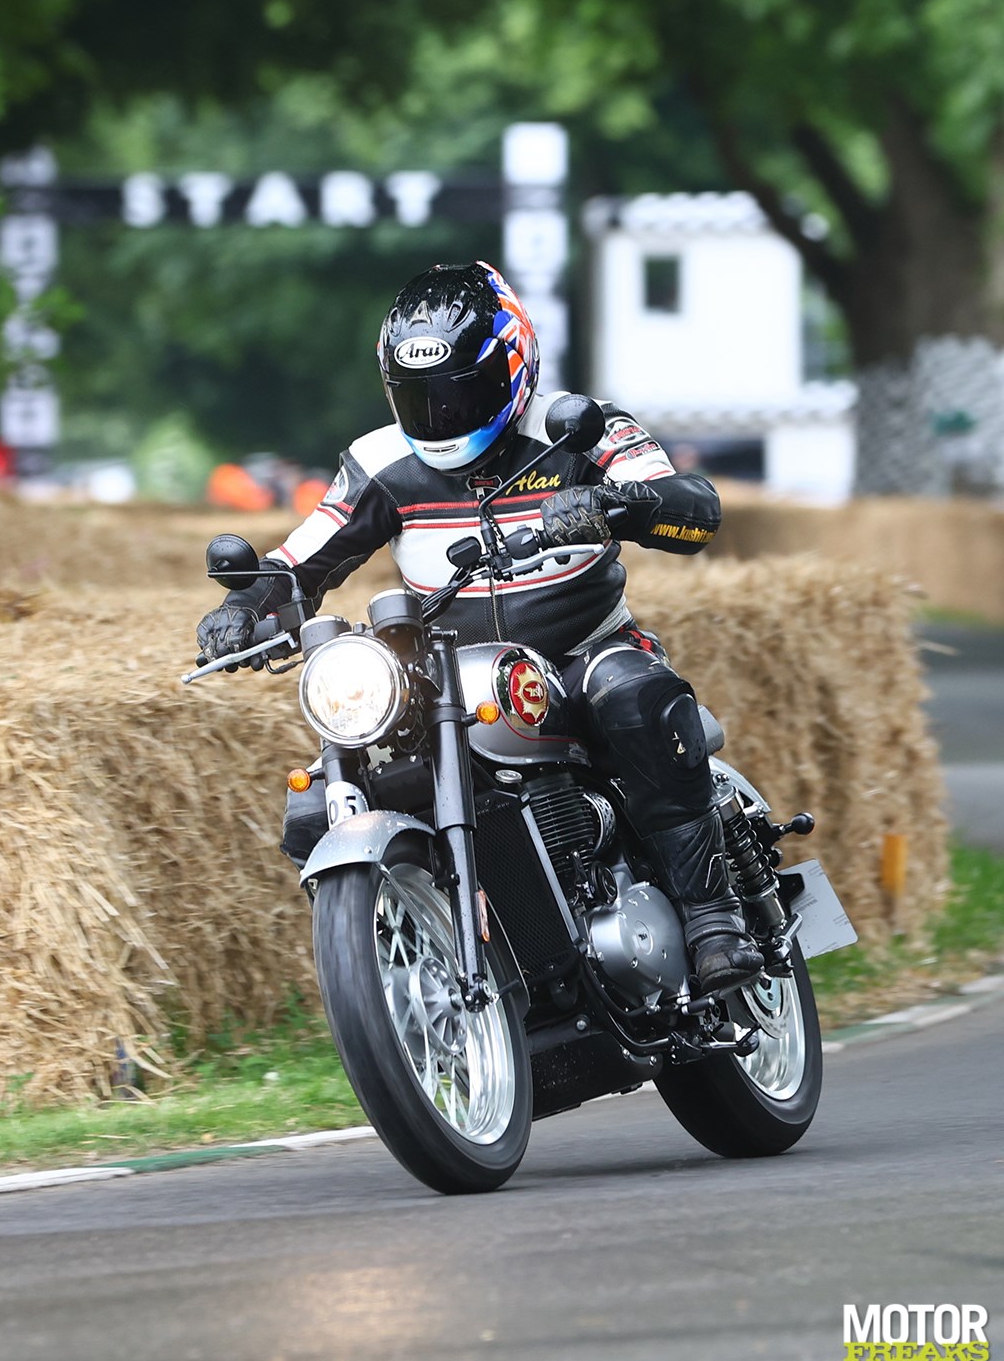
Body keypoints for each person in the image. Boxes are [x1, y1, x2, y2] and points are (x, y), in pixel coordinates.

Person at [196, 261, 763, 993]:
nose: (442, 412)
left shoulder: (581, 426)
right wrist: (245, 606)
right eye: (421, 397)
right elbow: (301, 559)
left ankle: (712, 916)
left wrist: (614, 504)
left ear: (512, 364)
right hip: (450, 679)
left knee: (631, 695)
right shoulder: (378, 462)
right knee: (322, 795)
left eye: (460, 390)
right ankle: (410, 964)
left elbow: (694, 507)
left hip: (583, 650)